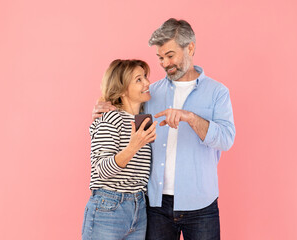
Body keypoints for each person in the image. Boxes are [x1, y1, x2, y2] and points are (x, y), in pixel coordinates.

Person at [92, 18, 235, 240]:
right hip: (155, 205)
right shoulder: (150, 94)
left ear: (190, 47)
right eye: (160, 58)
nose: (165, 63)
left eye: (170, 55)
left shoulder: (218, 92)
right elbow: (122, 113)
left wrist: (190, 117)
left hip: (201, 205)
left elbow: (226, 139)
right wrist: (101, 110)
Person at [82, 59, 158, 240]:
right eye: (138, 80)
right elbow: (101, 170)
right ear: (123, 90)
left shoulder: (142, 120)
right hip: (108, 207)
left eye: (145, 77)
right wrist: (133, 147)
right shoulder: (110, 120)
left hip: (139, 208)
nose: (147, 83)